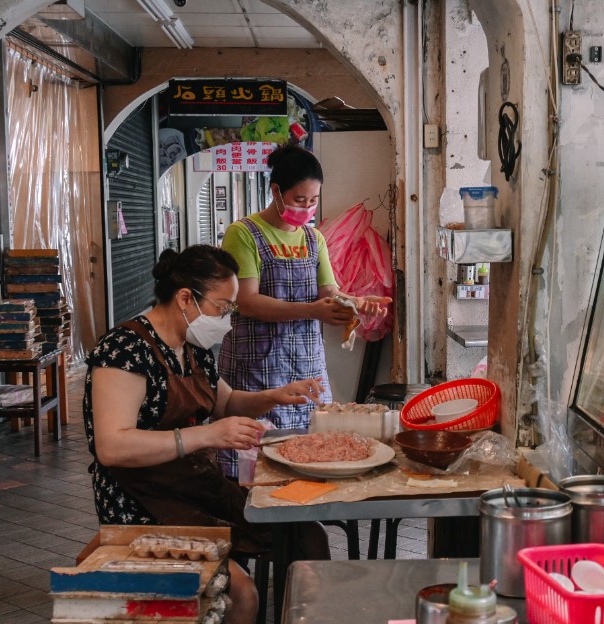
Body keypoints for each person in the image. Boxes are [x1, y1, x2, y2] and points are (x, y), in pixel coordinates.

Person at [83, 245, 326, 624]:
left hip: (194, 489)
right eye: (223, 307)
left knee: (306, 534)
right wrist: (205, 436)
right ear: (185, 298)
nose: (227, 319)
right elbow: (112, 447)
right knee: (240, 593)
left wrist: (273, 396)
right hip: (140, 506)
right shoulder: (124, 349)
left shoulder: (192, 349)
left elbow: (225, 405)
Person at [218, 144, 390, 478]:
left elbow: (330, 293)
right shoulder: (244, 234)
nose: (308, 208)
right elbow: (248, 301)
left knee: (305, 450)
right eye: (300, 200)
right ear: (276, 191)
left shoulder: (313, 240)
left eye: (313, 201)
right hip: (257, 361)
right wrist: (313, 310)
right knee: (254, 454)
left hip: (306, 361)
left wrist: (357, 303)